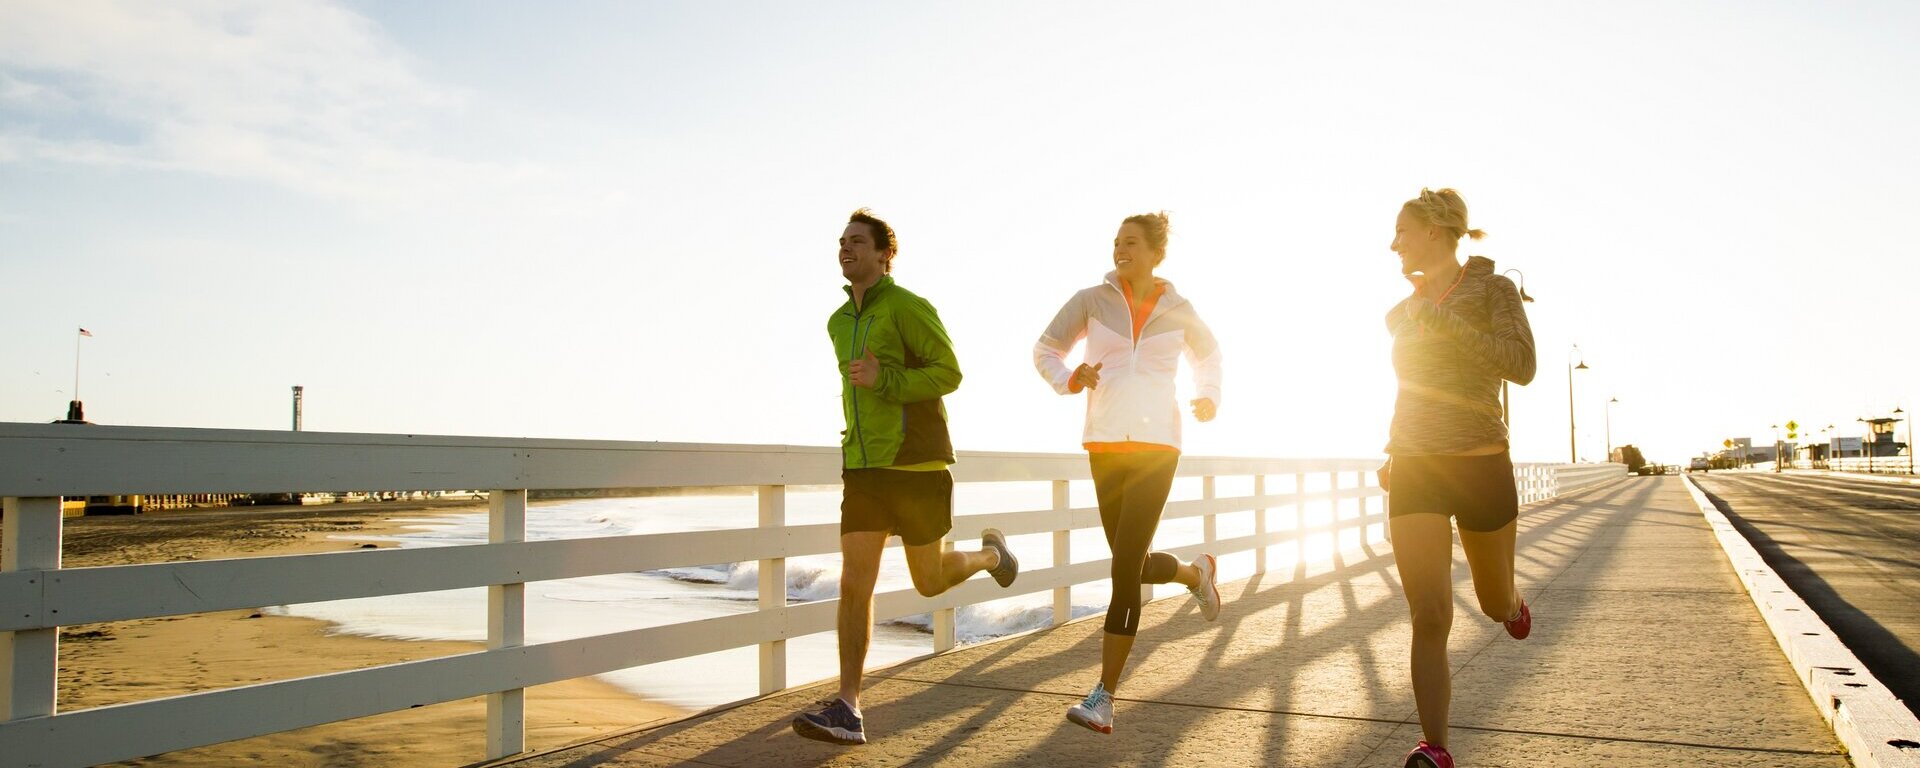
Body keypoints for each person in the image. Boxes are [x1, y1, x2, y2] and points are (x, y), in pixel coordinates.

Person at [792, 208, 1020, 746]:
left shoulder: (909, 308)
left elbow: (949, 373)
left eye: (856, 242)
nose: (845, 249)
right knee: (855, 583)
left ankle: (991, 556)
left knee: (929, 579)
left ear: (883, 254)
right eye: (841, 242)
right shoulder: (837, 321)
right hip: (865, 470)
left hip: (916, 467)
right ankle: (848, 706)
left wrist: (884, 378)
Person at [1032, 211, 1224, 735]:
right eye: (1116, 242)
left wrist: (1206, 395)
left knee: (1123, 570)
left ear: (1155, 251)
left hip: (1158, 446)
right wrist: (1071, 377)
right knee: (1128, 561)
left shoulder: (1179, 309)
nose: (1120, 250)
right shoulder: (1091, 301)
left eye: (1131, 243)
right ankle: (1193, 574)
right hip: (1104, 444)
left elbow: (1209, 358)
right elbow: (1045, 348)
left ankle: (1104, 696)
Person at [1379, 188, 1537, 768]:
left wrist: (1444, 322)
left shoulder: (1494, 290)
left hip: (1480, 463)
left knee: (1492, 600)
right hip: (1416, 467)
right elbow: (1409, 390)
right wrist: (1393, 450)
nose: (1392, 242)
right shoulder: (1400, 311)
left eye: (1402, 230)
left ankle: (1512, 602)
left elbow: (1521, 366)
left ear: (1436, 231)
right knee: (1429, 613)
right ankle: (1435, 748)